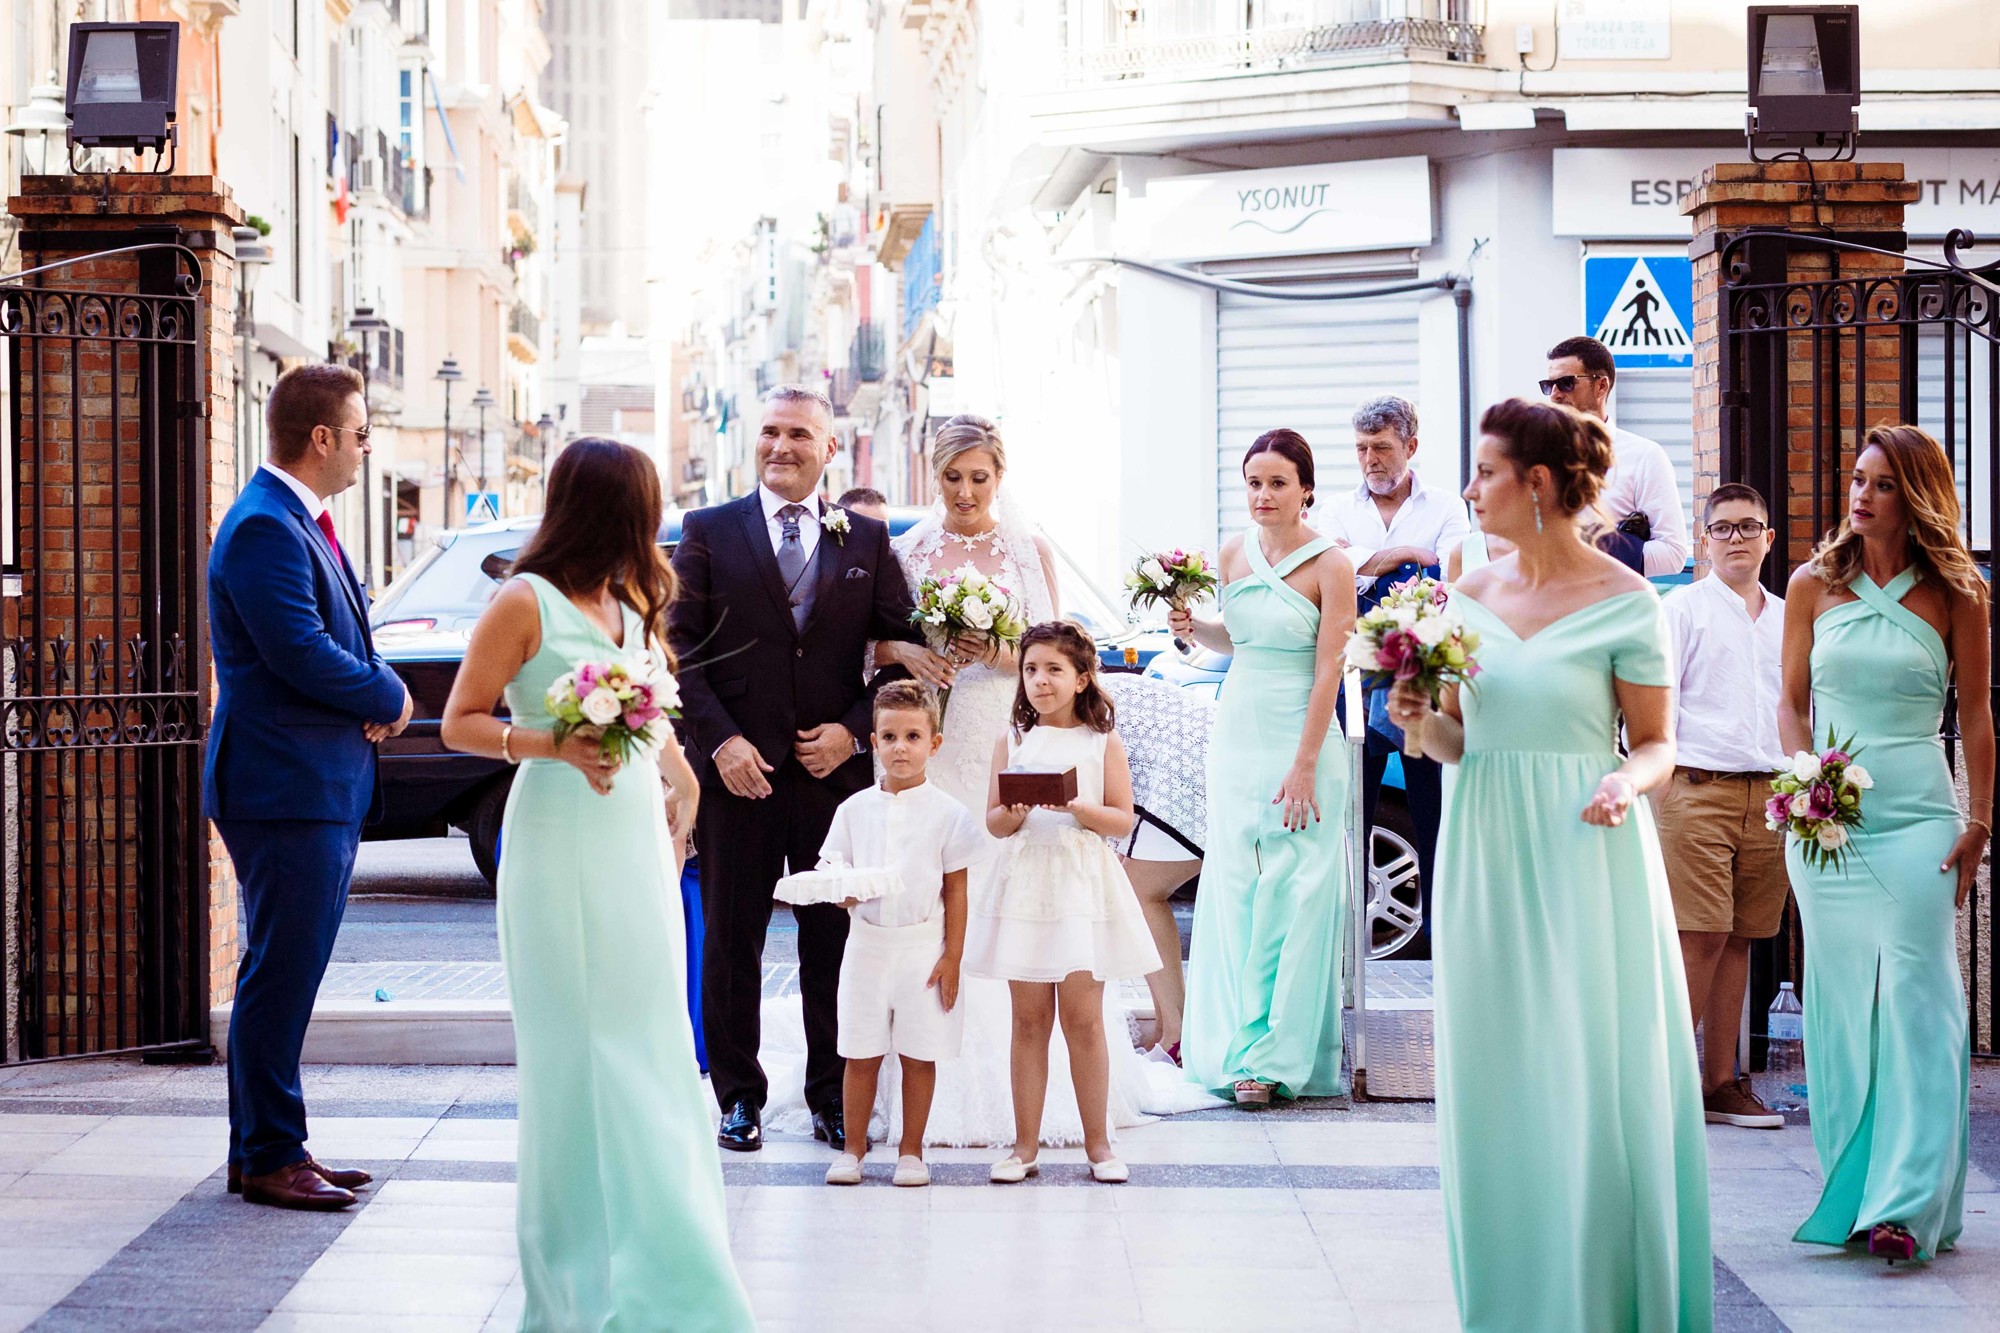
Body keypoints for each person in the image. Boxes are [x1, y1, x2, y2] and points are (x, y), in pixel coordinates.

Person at [1389, 399, 1711, 1331]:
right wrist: (1419, 720)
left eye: (1485, 470)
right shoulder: (1466, 595)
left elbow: (1657, 746)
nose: (1469, 488)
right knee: (1500, 1077)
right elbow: (1457, 741)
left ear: (1536, 483)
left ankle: (1600, 1298)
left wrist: (1622, 783)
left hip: (1586, 849)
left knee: (1586, 1075)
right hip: (1483, 849)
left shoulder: (1627, 599)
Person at [814, 413, 1217, 1148]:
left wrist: (1003, 656)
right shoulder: (905, 552)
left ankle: (1043, 1103)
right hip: (940, 740)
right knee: (938, 901)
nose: (965, 491)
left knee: (1022, 901)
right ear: (931, 475)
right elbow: (868, 648)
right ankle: (934, 1089)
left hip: (1011, 736)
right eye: (951, 477)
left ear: (1000, 477)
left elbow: (1054, 648)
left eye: (979, 477)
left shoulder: (1028, 550)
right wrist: (916, 649)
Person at [439, 438, 753, 1331]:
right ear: (612, 509)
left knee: (652, 1046)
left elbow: (656, 717)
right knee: (579, 1061)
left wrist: (683, 780)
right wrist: (548, 742)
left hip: (632, 845)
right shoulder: (521, 601)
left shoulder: (631, 600)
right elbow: (460, 722)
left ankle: (669, 1275)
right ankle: (576, 1289)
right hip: (558, 838)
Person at [668, 385, 928, 1155]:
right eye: (771, 432)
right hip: (737, 777)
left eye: (799, 435)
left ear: (828, 448)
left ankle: (829, 1097)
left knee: (832, 945)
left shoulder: (867, 543)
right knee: (731, 941)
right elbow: (680, 653)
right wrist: (720, 744)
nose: (781, 446)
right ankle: (738, 1098)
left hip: (831, 783)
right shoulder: (709, 530)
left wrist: (852, 734)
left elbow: (900, 657)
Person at [1777, 424, 1991, 1265]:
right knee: (1839, 1009)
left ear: (1918, 494)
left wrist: (1980, 824)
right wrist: (1805, 779)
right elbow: (1791, 701)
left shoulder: (1958, 593)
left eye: (1882, 484)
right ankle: (1859, 1190)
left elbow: (1974, 714)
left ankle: (1907, 1198)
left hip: (1917, 821)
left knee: (1919, 1000)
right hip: (1825, 824)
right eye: (1857, 478)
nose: (1860, 495)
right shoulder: (1809, 585)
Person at [205, 363, 412, 1211]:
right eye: (362, 432)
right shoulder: (264, 526)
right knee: (279, 977)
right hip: (282, 785)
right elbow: (298, 650)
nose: (368, 447)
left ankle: (268, 1144)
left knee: (282, 972)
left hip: (311, 782)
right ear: (322, 437)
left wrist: (373, 683)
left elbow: (339, 636)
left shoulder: (300, 519)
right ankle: (268, 1155)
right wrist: (387, 695)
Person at [1174, 429, 1358, 1107]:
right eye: (1253, 482)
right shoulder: (1232, 551)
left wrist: (1306, 762)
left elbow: (1328, 667)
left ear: (1305, 488)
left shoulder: (1332, 564)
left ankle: (1277, 1055)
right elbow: (1240, 636)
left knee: (1297, 888)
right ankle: (1232, 1047)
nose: (1263, 495)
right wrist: (1193, 626)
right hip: (1239, 727)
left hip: (1301, 732)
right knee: (1236, 886)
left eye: (1277, 482)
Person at [969, 621, 1158, 1183]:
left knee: (1084, 1019)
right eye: (1030, 669)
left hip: (1080, 883)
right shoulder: (1014, 740)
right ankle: (1023, 1146)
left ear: (1081, 679)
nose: (1040, 681)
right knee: (1028, 1021)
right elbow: (995, 822)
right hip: (1027, 881)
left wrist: (1077, 805)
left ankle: (1098, 1144)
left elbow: (1122, 818)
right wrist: (1017, 811)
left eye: (1053, 669)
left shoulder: (1102, 742)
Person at [1657, 483, 1789, 1130]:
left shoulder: (1791, 617)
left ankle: (1721, 1081)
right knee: (1699, 933)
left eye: (1749, 526)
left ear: (1769, 537)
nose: (1737, 537)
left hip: (1771, 793)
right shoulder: (1682, 609)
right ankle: (1666, 1082)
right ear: (1703, 539)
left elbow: (1802, 706)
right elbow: (1660, 707)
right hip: (1697, 786)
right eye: (1724, 527)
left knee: (1741, 936)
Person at [818, 681, 982, 1189]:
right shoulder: (852, 810)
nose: (901, 748)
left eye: (913, 736)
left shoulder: (949, 814)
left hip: (921, 950)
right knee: (860, 1052)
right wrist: (841, 889)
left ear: (934, 743)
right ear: (873, 740)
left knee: (919, 1051)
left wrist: (952, 956)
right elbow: (835, 872)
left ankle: (911, 1152)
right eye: (889, 737)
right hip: (866, 947)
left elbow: (956, 890)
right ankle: (853, 1151)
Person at [1321, 395, 1467, 957]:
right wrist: (1405, 556)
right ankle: (1347, 940)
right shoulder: (1336, 507)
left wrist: (1365, 565)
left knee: (1429, 806)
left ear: (1410, 445)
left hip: (1420, 674)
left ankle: (1437, 937)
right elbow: (1330, 564)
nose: (1370, 459)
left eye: (1381, 447)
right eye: (1361, 448)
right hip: (1351, 673)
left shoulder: (1448, 506)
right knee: (1353, 805)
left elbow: (1449, 577)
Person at [1543, 334, 1690, 577]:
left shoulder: (1644, 456)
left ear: (1601, 386)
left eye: (1566, 383)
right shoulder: (1535, 454)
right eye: (1549, 385)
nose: (1554, 395)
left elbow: (1673, 553)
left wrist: (1589, 548)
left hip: (1609, 606)